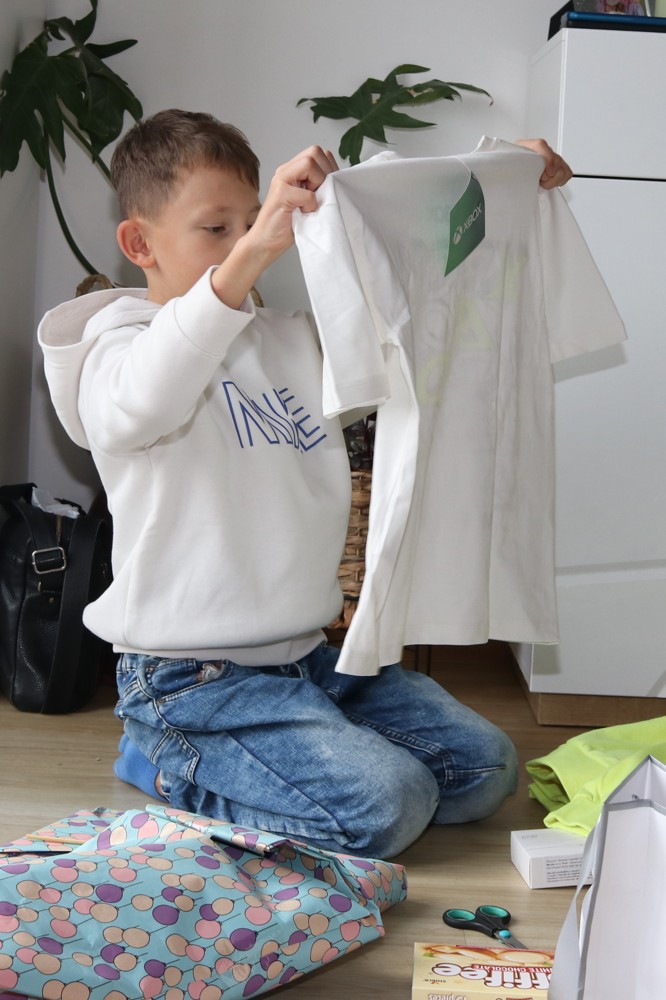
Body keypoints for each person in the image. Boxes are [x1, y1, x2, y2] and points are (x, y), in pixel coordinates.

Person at [38, 110, 572, 859]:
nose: (248, 239)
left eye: (251, 219)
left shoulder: (291, 339)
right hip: (192, 681)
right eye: (216, 228)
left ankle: (298, 754)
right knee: (390, 807)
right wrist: (251, 251)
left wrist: (499, 182)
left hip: (309, 662)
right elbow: (140, 404)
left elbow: (424, 302)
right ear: (140, 244)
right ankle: (165, 761)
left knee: (485, 771)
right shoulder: (116, 347)